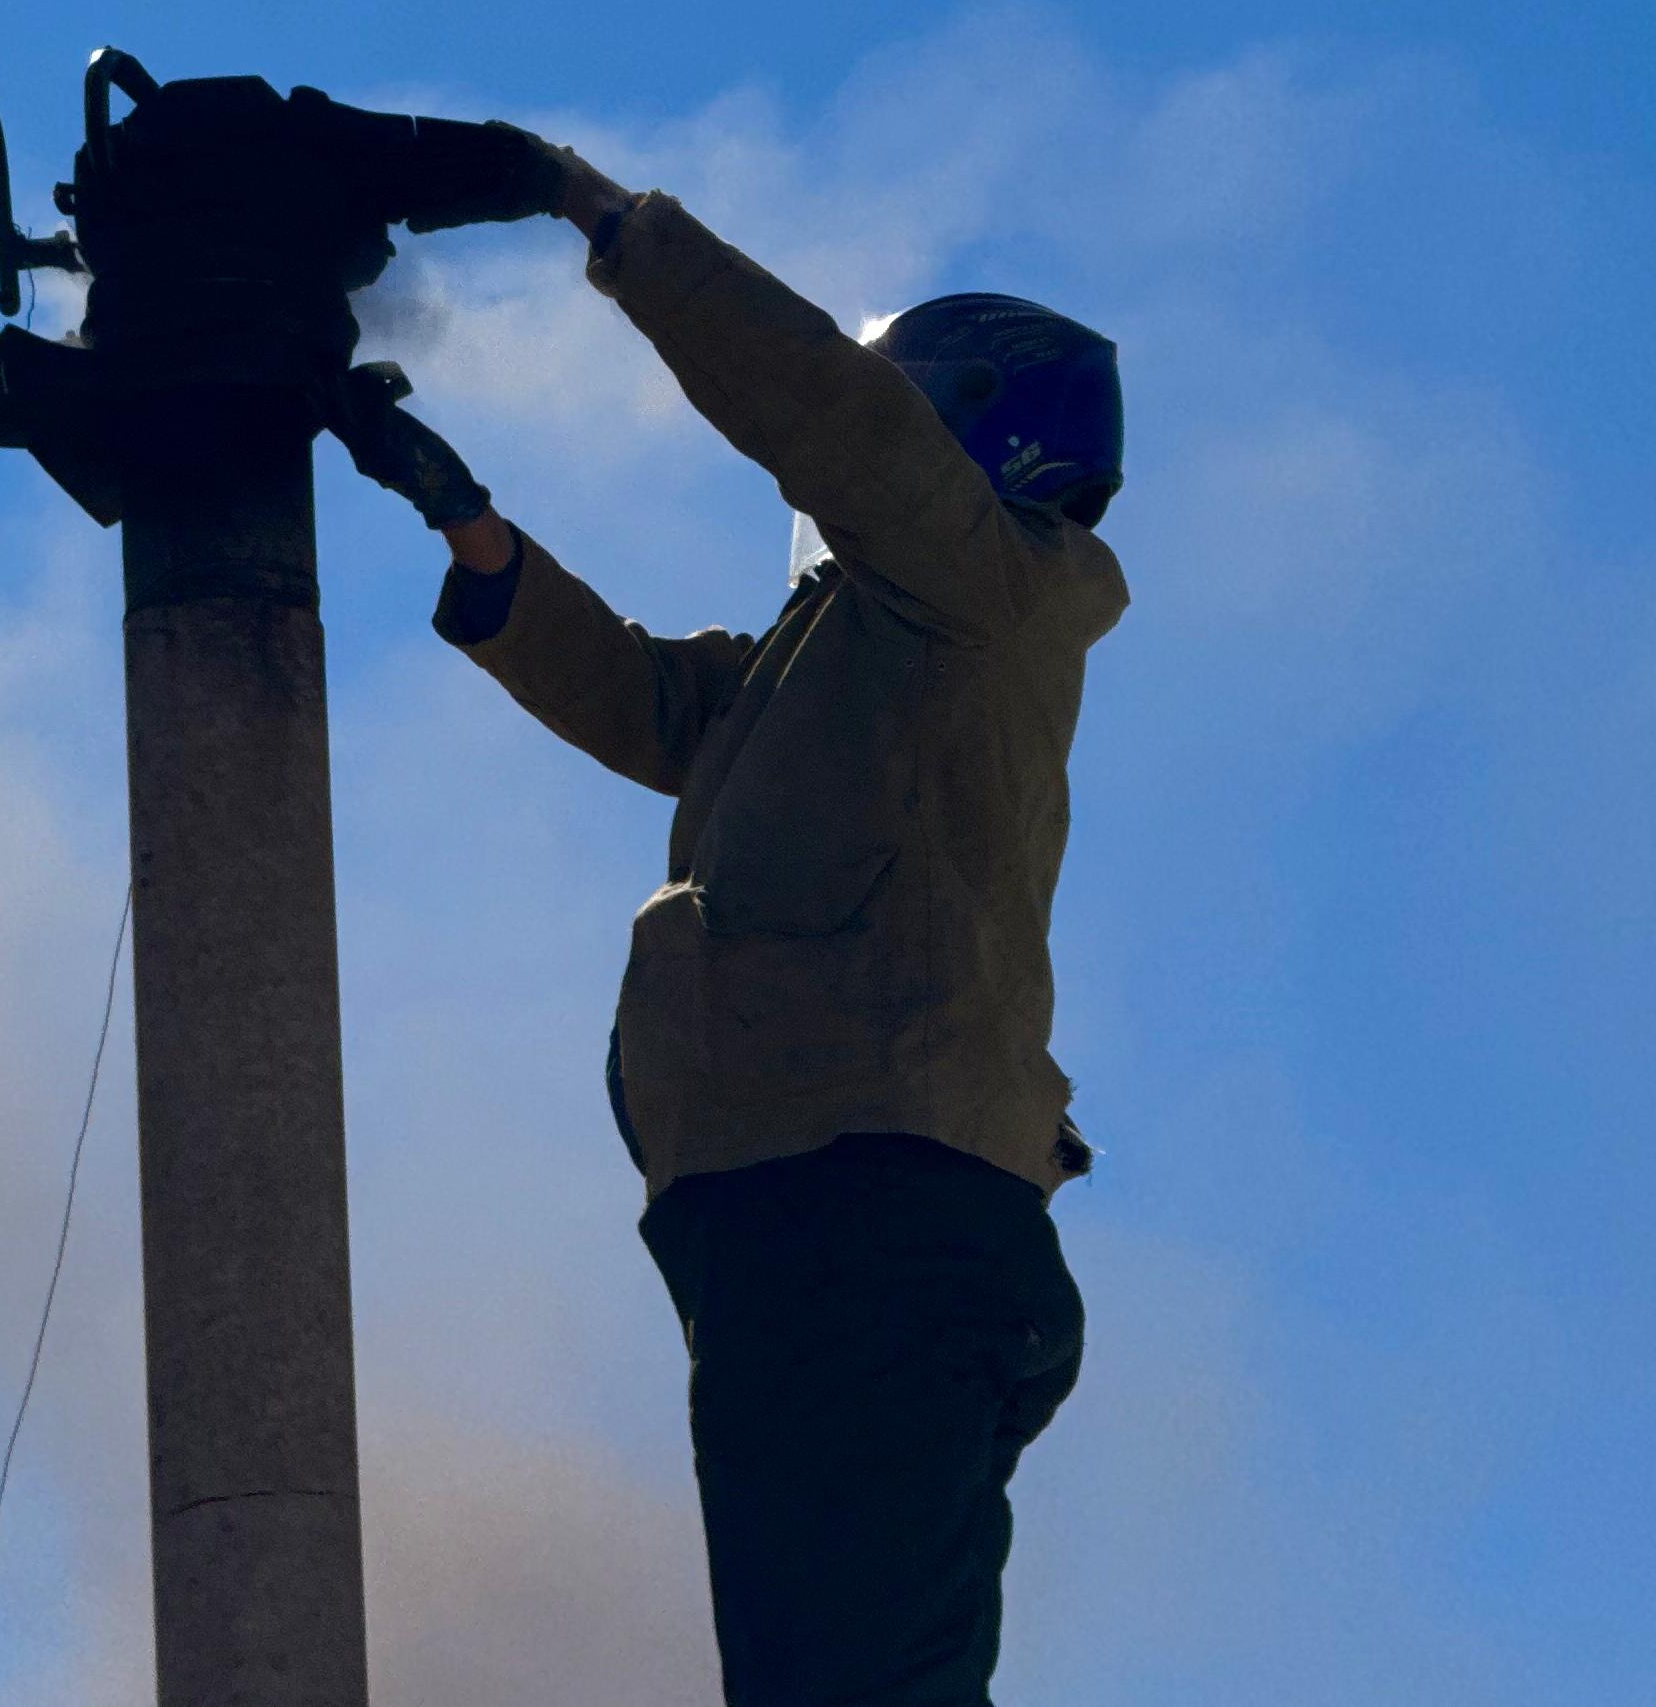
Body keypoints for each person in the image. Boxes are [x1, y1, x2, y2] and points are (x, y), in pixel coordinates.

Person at [324, 142, 1129, 1707]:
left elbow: (826, 412)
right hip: (812, 1223)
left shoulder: (979, 595)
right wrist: (470, 526)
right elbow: (652, 701)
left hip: (872, 1222)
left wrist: (592, 210)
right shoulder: (864, 654)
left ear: (970, 445)